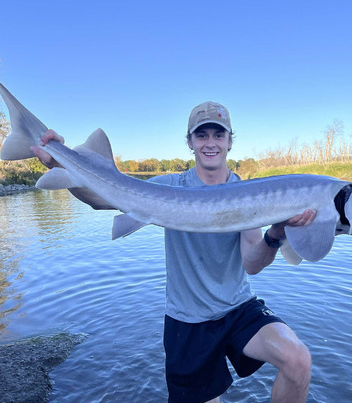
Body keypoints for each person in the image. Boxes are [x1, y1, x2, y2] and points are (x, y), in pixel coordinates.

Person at [32, 101, 316, 403]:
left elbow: (252, 265)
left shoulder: (248, 194)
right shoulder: (168, 187)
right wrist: (61, 164)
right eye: (202, 135)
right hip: (187, 320)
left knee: (298, 359)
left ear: (230, 142)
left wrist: (275, 235)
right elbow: (102, 198)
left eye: (218, 135)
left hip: (237, 309)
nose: (210, 143)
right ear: (190, 142)